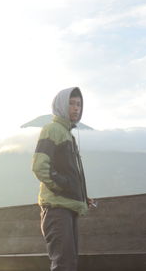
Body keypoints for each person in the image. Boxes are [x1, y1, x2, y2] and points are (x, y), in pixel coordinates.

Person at [32, 87, 94, 271]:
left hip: (67, 207)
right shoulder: (52, 129)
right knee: (64, 265)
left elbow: (68, 172)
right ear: (61, 104)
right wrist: (64, 186)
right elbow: (39, 167)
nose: (76, 108)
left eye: (79, 104)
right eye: (71, 103)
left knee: (70, 264)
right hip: (57, 209)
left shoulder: (68, 134)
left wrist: (81, 197)